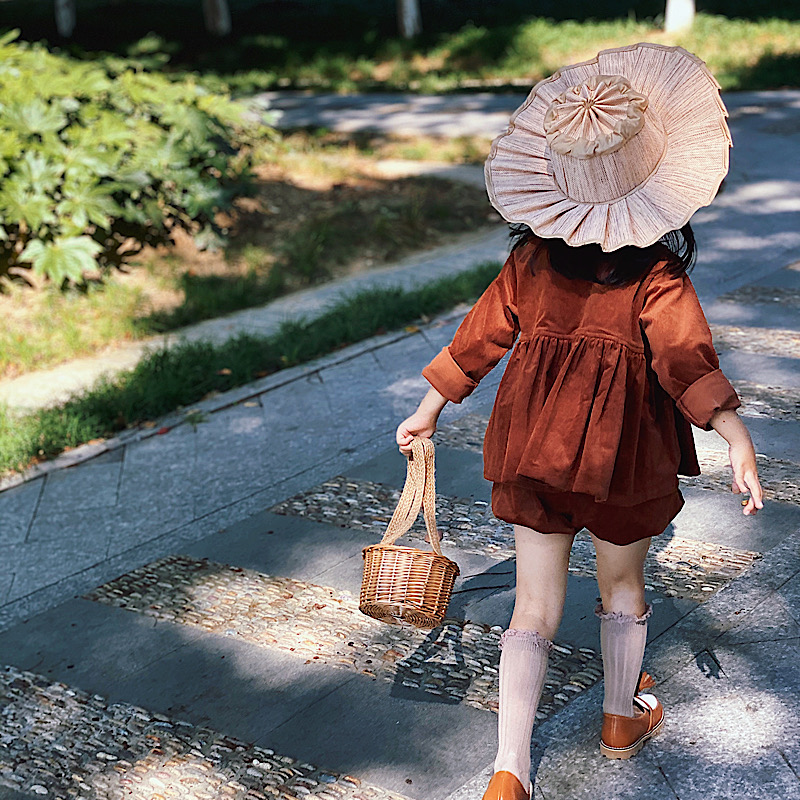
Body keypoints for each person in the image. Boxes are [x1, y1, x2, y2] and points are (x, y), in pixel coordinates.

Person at [395, 43, 764, 800]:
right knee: (621, 590)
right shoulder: (658, 278)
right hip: (624, 461)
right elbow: (686, 364)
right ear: (654, 195)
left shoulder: (530, 262)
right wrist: (734, 437)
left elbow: (477, 342)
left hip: (532, 450)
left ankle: (509, 772)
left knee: (532, 607)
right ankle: (621, 716)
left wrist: (427, 409)